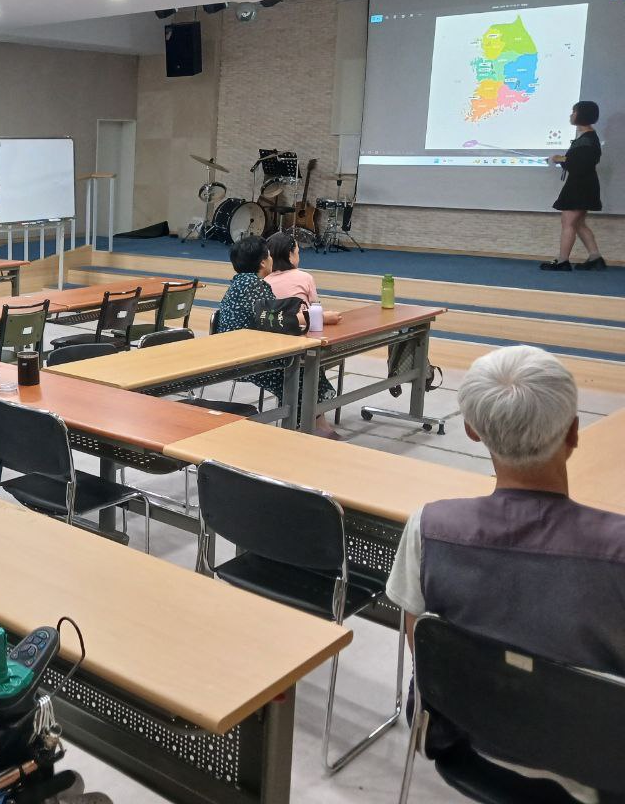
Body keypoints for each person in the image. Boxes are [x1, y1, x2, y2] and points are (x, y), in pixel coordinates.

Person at [386, 345, 625, 800]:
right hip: (599, 767)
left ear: (472, 432)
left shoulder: (428, 526)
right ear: (574, 432)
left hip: (465, 740)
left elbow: (424, 642)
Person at [214, 236, 338, 438]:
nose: (272, 259)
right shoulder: (256, 286)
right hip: (247, 359)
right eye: (269, 256)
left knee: (303, 365)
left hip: (232, 352)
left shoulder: (238, 285)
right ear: (263, 262)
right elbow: (276, 320)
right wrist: (318, 318)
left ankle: (311, 423)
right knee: (301, 371)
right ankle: (301, 428)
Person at [542, 100, 606, 271]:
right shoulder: (586, 138)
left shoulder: (588, 139)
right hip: (582, 184)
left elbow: (579, 163)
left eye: (574, 111)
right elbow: (577, 161)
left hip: (580, 185)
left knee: (568, 222)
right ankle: (595, 257)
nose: (571, 115)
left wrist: (559, 159)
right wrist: (561, 159)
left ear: (582, 114)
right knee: (578, 223)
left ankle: (563, 261)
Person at [264, 231, 341, 325]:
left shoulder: (264, 281)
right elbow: (315, 308)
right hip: (302, 329)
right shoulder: (305, 277)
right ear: (290, 254)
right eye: (297, 252)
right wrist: (324, 317)